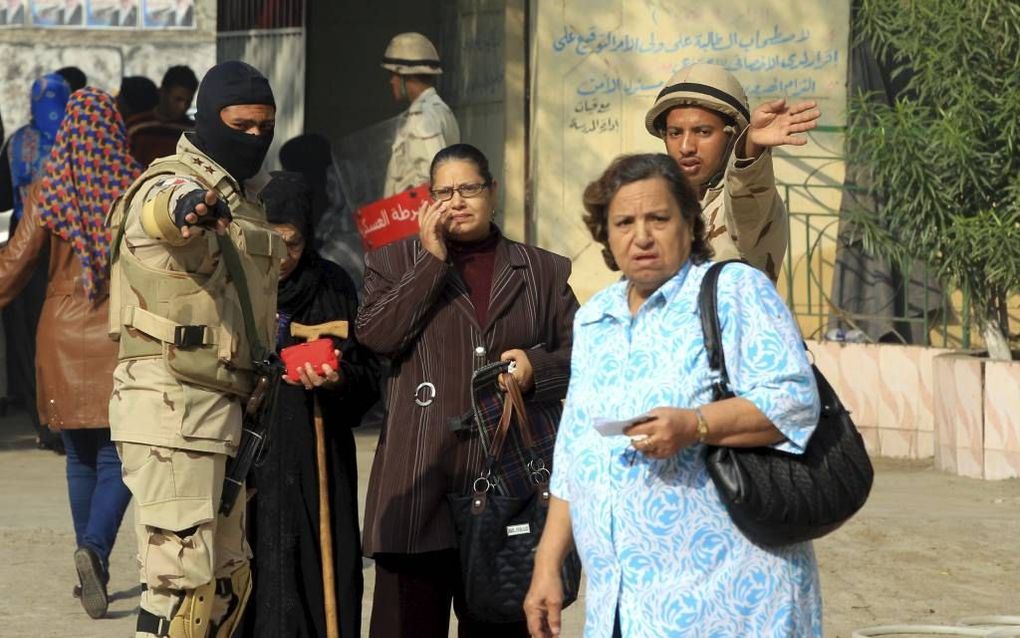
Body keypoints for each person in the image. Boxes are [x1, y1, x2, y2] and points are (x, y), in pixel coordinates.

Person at [524, 153, 822, 637]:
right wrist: (547, 564)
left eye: (658, 219)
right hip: (621, 600)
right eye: (624, 222)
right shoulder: (595, 318)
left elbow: (795, 402)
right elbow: (574, 452)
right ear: (606, 235)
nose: (641, 236)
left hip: (730, 597)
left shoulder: (733, 291)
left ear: (689, 223)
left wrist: (695, 425)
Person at [357, 143, 579, 638]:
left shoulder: (542, 271)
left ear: (492, 192)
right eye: (444, 192)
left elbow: (587, 359)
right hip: (419, 481)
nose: (457, 201)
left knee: (503, 622)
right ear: (428, 202)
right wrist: (430, 263)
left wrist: (535, 368)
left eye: (469, 188)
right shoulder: (393, 263)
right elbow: (376, 336)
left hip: (509, 481)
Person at [107, 60, 281, 638]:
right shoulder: (172, 182)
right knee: (179, 587)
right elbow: (167, 210)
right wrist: (189, 210)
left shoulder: (244, 196)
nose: (256, 138)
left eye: (265, 127)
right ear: (209, 121)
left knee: (226, 583)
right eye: (242, 125)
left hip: (224, 409)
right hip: (171, 409)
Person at [0, 87, 140, 620]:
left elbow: (13, 267)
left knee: (78, 456)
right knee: (121, 453)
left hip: (59, 336)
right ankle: (95, 553)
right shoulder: (136, 185)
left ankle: (93, 562)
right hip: (120, 332)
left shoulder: (47, 189)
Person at [242, 171, 380, 638]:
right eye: (271, 242)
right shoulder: (238, 284)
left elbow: (367, 376)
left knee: (318, 582)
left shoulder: (331, 286)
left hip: (316, 458)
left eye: (293, 244)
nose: (282, 258)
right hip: (247, 463)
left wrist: (337, 380)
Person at [644, 63, 821, 281]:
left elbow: (746, 194)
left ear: (733, 135)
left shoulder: (744, 206)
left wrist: (751, 148)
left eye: (703, 131)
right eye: (675, 133)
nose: (686, 146)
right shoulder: (665, 206)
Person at [0, 72, 72, 453]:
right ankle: (59, 422)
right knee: (57, 340)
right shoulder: (78, 144)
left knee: (31, 341)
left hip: (26, 248)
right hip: (66, 253)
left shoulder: (15, 144)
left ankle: (44, 421)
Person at [381, 32, 460, 197]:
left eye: (393, 75)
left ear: (405, 76)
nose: (391, 82)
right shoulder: (440, 110)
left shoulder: (422, 118)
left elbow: (432, 178)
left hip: (416, 220)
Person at [125, 66, 198, 166]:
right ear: (163, 92)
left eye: (188, 102)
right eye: (178, 99)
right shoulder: (136, 127)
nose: (183, 107)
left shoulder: (192, 133)